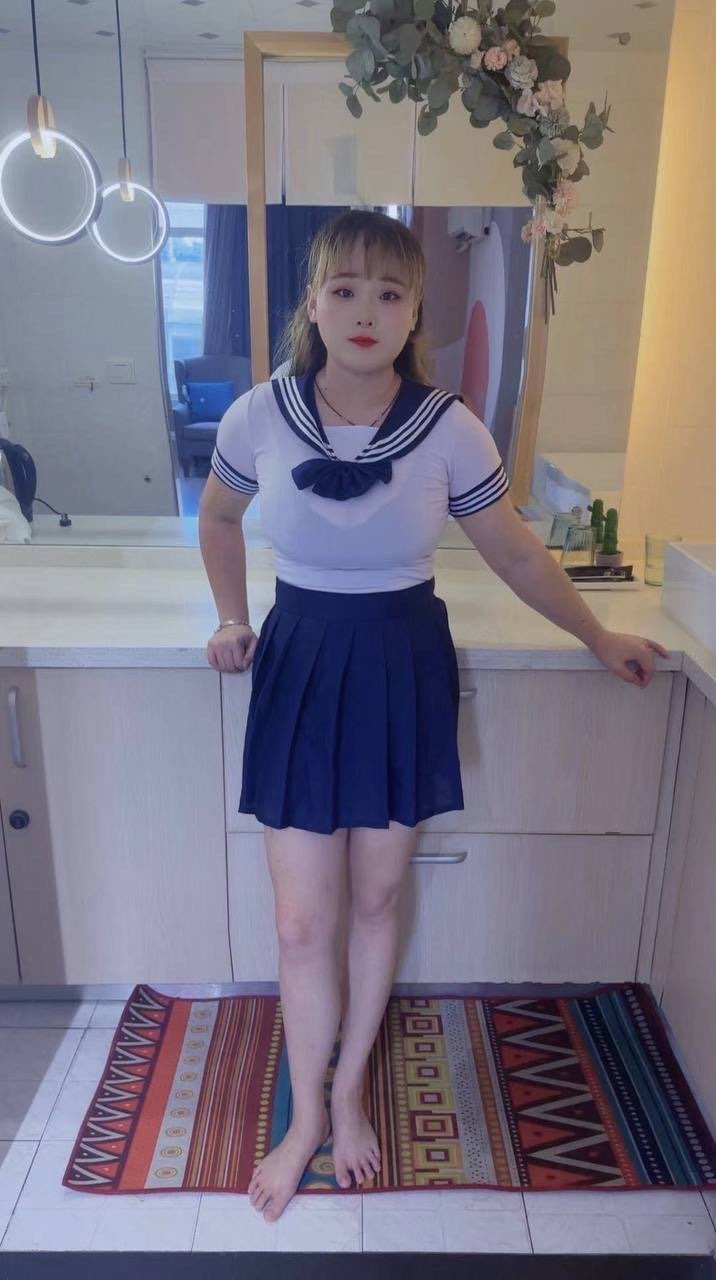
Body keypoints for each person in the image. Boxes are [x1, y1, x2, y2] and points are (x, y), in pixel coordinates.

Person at [198, 208, 670, 1223]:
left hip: (399, 662)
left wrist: (597, 636)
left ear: (414, 310)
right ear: (313, 303)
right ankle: (306, 1116)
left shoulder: (449, 427)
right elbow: (219, 515)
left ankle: (349, 1094)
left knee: (374, 903)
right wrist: (232, 616)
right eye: (344, 290)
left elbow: (513, 552)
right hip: (300, 659)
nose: (365, 310)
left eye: (389, 292)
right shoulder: (259, 414)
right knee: (300, 920)